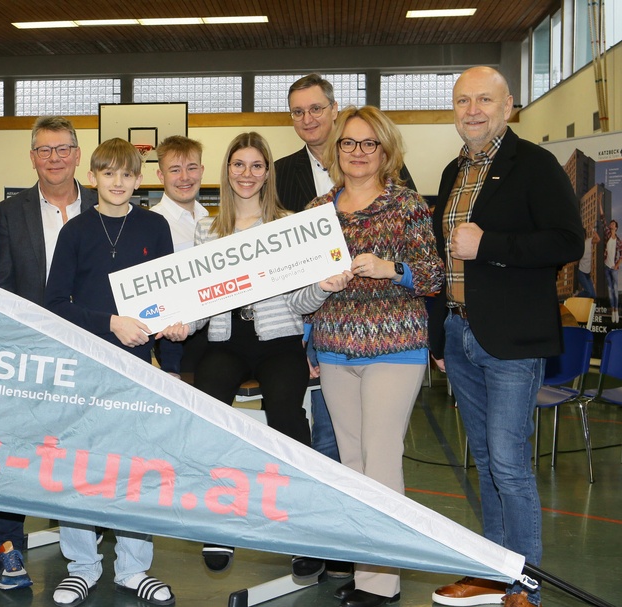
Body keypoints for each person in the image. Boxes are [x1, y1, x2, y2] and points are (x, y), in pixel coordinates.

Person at [429, 67, 584, 607]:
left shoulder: (535, 165)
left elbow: (568, 241)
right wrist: (439, 339)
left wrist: (488, 244)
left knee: (509, 464)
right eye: (462, 101)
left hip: (513, 340)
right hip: (459, 334)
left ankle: (526, 586)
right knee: (486, 461)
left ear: (508, 105)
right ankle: (493, 574)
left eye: (484, 100)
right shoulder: (453, 170)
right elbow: (443, 260)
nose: (472, 110)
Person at [161, 132, 326, 577]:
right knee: (211, 410)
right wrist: (183, 324)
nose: (247, 174)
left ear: (267, 172)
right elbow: (201, 300)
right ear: (228, 170)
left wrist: (321, 287)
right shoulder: (208, 229)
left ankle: (303, 529)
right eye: (239, 165)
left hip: (279, 343)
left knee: (287, 417)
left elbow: (300, 302)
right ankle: (220, 522)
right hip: (226, 342)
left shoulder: (289, 225)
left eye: (256, 165)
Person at [300, 106, 443, 607]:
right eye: (349, 143)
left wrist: (392, 268)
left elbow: (434, 274)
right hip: (334, 348)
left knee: (380, 459)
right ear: (336, 149)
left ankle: (382, 581)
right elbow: (304, 286)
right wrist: (309, 341)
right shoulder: (318, 209)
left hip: (394, 348)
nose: (358, 152)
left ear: (386, 150)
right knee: (353, 461)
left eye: (369, 144)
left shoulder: (406, 204)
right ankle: (367, 570)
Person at [44, 138, 176, 607]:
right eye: (108, 173)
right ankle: (81, 566)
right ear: (92, 177)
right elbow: (55, 305)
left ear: (140, 180)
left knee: (136, 468)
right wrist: (111, 323)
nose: (118, 182)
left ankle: (133, 568)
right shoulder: (75, 231)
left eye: (127, 174)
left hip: (138, 369)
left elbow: (169, 297)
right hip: (86, 366)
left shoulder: (156, 226)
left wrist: (170, 350)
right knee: (80, 466)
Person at [0, 115, 96, 590]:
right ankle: (7, 548)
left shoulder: (104, 203)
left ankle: (88, 547)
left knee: (87, 452)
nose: (54, 158)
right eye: (44, 150)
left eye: (63, 148)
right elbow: (3, 285)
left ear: (77, 154)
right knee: (13, 451)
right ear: (32, 157)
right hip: (30, 352)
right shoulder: (9, 213)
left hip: (94, 351)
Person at [149, 135, 208, 376]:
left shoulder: (214, 221)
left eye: (191, 168)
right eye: (175, 170)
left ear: (202, 171)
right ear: (160, 175)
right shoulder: (151, 224)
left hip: (215, 330)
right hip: (176, 338)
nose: (185, 177)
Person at [598, 209, 621, 323]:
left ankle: (616, 311)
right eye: (611, 224)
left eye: (613, 224)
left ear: (616, 228)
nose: (611, 225)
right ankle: (613, 311)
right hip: (607, 267)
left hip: (613, 268)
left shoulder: (619, 241)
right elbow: (603, 219)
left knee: (615, 290)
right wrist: (599, 204)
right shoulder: (607, 234)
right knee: (610, 289)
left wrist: (617, 265)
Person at [575, 229, 599, 299]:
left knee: (593, 295)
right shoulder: (579, 246)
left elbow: (598, 239)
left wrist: (593, 231)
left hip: (587, 274)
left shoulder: (589, 241)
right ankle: (576, 296)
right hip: (581, 273)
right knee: (588, 292)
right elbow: (576, 261)